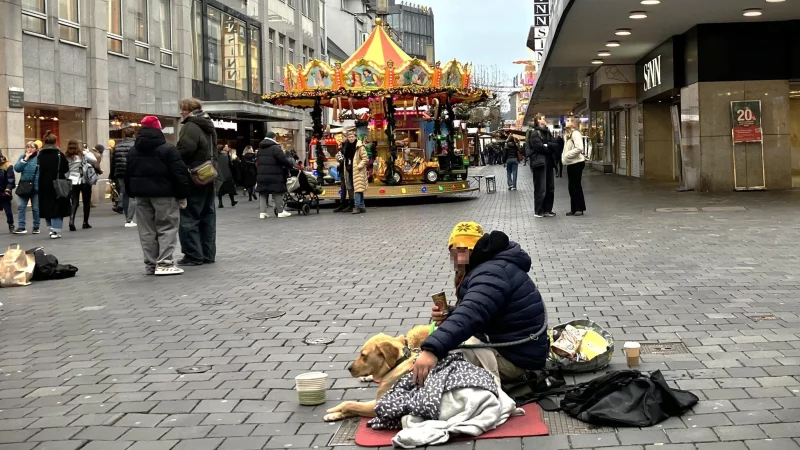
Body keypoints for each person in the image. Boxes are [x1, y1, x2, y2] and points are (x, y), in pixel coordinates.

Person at [412, 222, 548, 386]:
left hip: (518, 362)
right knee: (448, 345)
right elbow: (481, 309)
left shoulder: (491, 273)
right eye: (454, 251)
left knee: (442, 363)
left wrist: (431, 350)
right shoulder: (491, 265)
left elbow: (471, 314)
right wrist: (451, 312)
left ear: (474, 249)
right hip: (517, 350)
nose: (456, 258)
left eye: (462, 250)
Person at [125, 116, 190, 276]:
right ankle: (165, 263)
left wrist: (131, 192)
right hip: (164, 194)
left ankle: (151, 264)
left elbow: (127, 174)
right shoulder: (168, 149)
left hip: (141, 195)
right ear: (158, 129)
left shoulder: (133, 150)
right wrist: (182, 195)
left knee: (146, 230)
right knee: (167, 226)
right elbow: (179, 174)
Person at [176, 98, 218, 266]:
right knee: (208, 216)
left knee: (189, 216)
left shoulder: (191, 126)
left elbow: (184, 150)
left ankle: (193, 254)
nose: (181, 112)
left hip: (195, 177)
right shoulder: (207, 124)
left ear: (189, 110)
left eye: (183, 109)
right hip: (209, 175)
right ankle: (208, 253)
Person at [37, 133, 71, 239]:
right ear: (55, 141)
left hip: (43, 183)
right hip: (58, 183)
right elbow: (66, 168)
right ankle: (56, 230)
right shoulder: (59, 154)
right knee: (58, 205)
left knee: (46, 205)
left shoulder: (40, 154)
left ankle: (50, 229)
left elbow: (38, 169)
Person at [256, 131, 293, 219]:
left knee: (263, 193)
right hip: (274, 174)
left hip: (261, 174)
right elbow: (283, 159)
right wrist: (290, 166)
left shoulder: (260, 148)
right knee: (277, 191)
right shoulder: (275, 148)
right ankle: (280, 211)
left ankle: (262, 213)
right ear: (273, 138)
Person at [526, 113, 556, 218]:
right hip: (539, 163)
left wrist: (548, 146)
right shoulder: (535, 132)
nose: (545, 120)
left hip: (548, 162)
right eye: (543, 118)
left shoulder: (548, 132)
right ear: (538, 120)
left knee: (550, 187)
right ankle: (539, 210)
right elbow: (538, 146)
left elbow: (554, 144)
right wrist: (548, 148)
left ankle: (548, 209)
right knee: (541, 188)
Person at [64, 139, 97, 231]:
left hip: (72, 181)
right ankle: (85, 222)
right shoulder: (82, 155)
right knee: (86, 202)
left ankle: (71, 221)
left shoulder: (66, 156)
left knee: (74, 202)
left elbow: (65, 170)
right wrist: (88, 152)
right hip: (84, 180)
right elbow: (94, 160)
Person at [110, 127, 137, 227]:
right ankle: (130, 219)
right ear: (133, 135)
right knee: (133, 195)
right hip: (133, 172)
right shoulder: (136, 146)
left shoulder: (117, 146)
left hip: (120, 173)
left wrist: (112, 175)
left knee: (124, 193)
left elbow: (113, 163)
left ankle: (127, 219)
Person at [12, 141, 41, 235]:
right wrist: (25, 159)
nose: (29, 149)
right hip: (24, 186)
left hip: (35, 187)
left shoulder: (39, 158)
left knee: (36, 208)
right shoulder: (22, 157)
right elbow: (17, 168)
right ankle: (21, 227)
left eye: (32, 147)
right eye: (28, 147)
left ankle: (36, 227)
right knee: (21, 207)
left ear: (36, 149)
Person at [562, 120, 587, 216]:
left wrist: (567, 155)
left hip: (577, 162)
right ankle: (573, 208)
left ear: (573, 123)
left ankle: (579, 208)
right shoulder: (568, 134)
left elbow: (579, 147)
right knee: (571, 187)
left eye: (568, 120)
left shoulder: (575, 133)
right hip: (571, 163)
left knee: (576, 186)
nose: (566, 122)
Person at [333, 132, 356, 213]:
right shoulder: (343, 145)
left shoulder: (347, 145)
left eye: (343, 137)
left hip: (347, 168)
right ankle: (343, 203)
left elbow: (346, 156)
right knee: (343, 187)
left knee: (348, 186)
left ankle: (351, 204)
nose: (342, 138)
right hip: (343, 169)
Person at [350, 131, 369, 215]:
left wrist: (359, 166)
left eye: (352, 136)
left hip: (358, 171)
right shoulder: (350, 146)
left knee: (357, 189)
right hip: (353, 170)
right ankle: (361, 206)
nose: (350, 138)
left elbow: (365, 158)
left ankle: (357, 206)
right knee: (359, 188)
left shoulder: (360, 147)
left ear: (355, 137)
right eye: (349, 137)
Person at [0, 153, 15, 233]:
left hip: (4, 190)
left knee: (8, 210)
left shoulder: (7, 165)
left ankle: (11, 224)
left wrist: (8, 190)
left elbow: (11, 179)